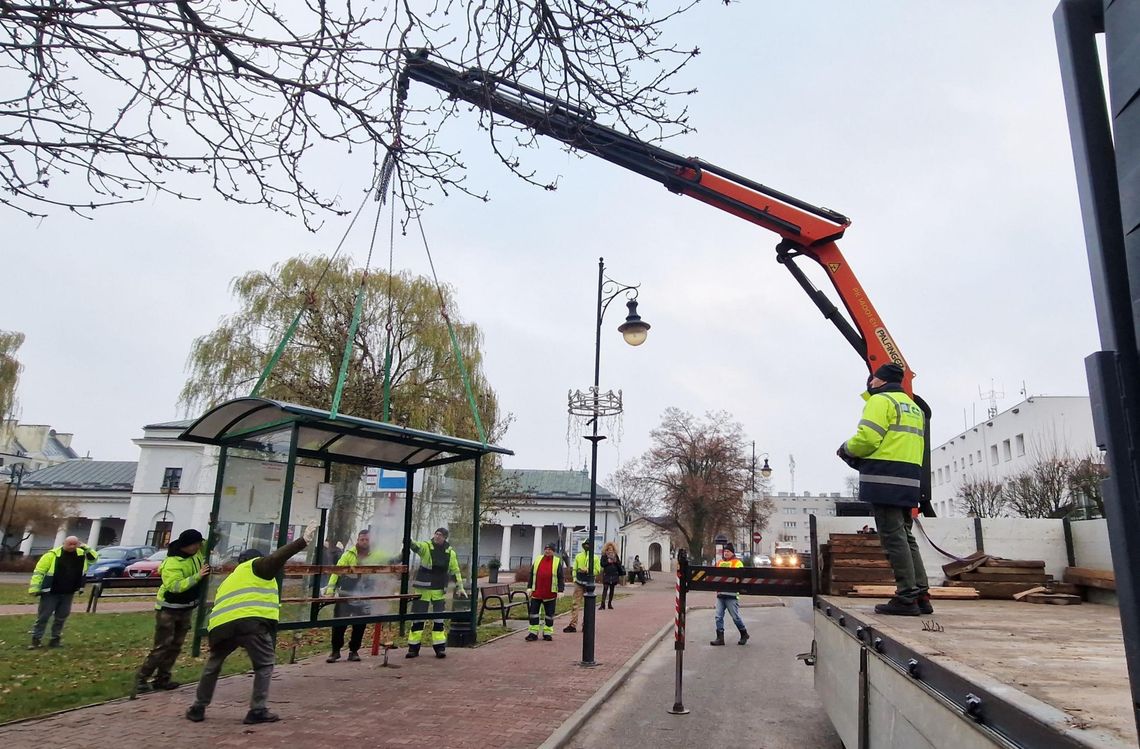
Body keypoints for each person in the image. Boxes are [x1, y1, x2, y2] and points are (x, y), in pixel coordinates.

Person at [186, 533, 311, 724]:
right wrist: (302, 541)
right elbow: (277, 557)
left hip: (221, 626)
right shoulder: (256, 566)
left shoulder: (231, 578)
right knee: (264, 664)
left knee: (213, 664)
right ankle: (257, 710)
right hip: (251, 624)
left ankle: (198, 707)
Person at [837, 362, 930, 617]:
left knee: (893, 537)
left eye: (873, 378)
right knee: (906, 537)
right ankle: (921, 593)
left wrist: (846, 449)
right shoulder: (913, 407)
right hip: (909, 478)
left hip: (886, 478)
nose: (870, 382)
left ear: (880, 380)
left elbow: (868, 439)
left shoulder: (881, 401)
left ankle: (906, 597)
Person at [136, 528, 210, 692]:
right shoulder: (172, 563)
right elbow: (175, 586)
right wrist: (198, 576)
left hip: (186, 607)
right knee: (162, 646)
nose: (198, 547)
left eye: (198, 544)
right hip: (168, 609)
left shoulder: (196, 554)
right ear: (186, 545)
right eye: (195, 545)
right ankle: (142, 678)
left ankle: (163, 678)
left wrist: (213, 526)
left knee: (176, 645)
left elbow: (210, 541)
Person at [405, 527, 466, 658]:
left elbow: (455, 571)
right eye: (436, 534)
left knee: (439, 620)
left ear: (445, 538)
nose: (437, 536)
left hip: (438, 589)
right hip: (423, 588)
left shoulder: (450, 552)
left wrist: (460, 587)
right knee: (418, 619)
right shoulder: (427, 546)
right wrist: (408, 539)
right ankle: (413, 648)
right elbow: (416, 547)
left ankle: (439, 648)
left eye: (440, 535)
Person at [27, 535, 98, 649]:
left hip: (68, 592)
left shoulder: (81, 554)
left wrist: (85, 547)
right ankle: (36, 640)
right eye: (70, 544)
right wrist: (34, 588)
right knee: (44, 617)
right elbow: (39, 572)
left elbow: (94, 558)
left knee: (61, 617)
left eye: (75, 544)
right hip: (50, 592)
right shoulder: (51, 555)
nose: (72, 546)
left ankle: (55, 640)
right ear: (64, 543)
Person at [324, 529, 370, 663]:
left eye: (366, 539)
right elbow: (336, 572)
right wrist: (330, 590)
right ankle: (335, 651)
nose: (364, 542)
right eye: (362, 539)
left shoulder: (373, 555)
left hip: (363, 596)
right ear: (358, 540)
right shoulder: (348, 554)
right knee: (339, 623)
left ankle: (354, 651)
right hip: (345, 594)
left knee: (360, 624)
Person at [710, 543, 749, 646]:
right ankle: (720, 638)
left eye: (728, 551)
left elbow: (739, 577)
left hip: (731, 594)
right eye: (725, 551)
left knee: (735, 617)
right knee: (718, 616)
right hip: (721, 594)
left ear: (732, 553)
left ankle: (744, 633)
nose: (726, 553)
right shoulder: (719, 563)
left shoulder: (737, 563)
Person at [525, 543, 564, 641]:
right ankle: (533, 633)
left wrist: (560, 590)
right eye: (546, 549)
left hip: (550, 593)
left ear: (553, 551)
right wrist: (529, 587)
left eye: (550, 549)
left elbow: (560, 577)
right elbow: (532, 574)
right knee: (533, 614)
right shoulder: (538, 559)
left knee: (549, 615)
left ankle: (547, 633)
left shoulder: (557, 561)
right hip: (537, 593)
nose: (547, 551)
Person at [562, 540, 600, 633]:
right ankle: (572, 625)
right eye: (585, 545)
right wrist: (575, 578)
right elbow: (574, 568)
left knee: (588, 605)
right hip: (579, 582)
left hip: (589, 584)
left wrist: (588, 571)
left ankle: (586, 624)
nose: (587, 546)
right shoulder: (579, 556)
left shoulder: (595, 557)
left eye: (588, 544)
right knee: (575, 604)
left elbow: (597, 570)